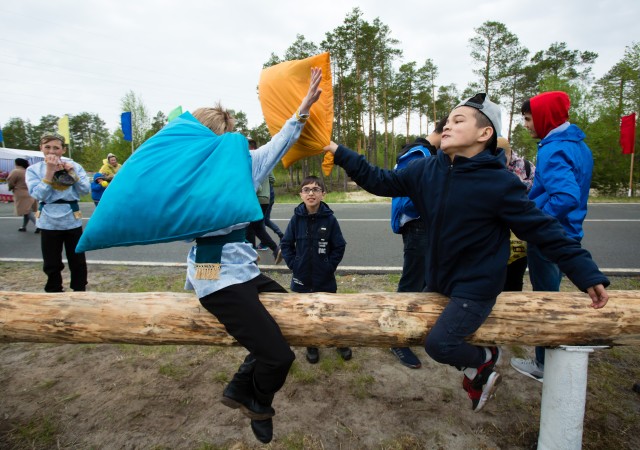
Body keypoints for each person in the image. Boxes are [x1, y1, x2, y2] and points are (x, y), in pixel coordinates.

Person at [323, 93, 609, 412]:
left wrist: (585, 272)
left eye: (458, 121)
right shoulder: (426, 170)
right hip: (441, 279)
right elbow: (380, 180)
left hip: (477, 286)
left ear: (484, 134)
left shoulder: (499, 182)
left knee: (439, 344)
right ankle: (476, 370)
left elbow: (543, 229)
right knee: (424, 330)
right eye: (447, 121)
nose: (447, 125)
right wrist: (338, 151)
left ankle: (486, 358)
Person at [184, 67, 322, 443]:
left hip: (244, 269)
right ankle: (258, 403)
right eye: (219, 138)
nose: (228, 146)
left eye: (230, 138)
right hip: (215, 273)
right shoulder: (184, 176)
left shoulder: (245, 166)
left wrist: (304, 107)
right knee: (279, 356)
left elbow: (280, 140)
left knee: (288, 317)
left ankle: (240, 384)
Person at [510, 91, 593, 383]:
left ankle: (544, 365)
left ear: (545, 117)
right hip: (569, 231)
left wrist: (534, 219)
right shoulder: (577, 145)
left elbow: (566, 196)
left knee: (546, 300)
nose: (526, 125)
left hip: (549, 237)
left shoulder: (553, 149)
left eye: (529, 119)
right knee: (553, 293)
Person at [389, 117, 447, 370]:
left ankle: (416, 330)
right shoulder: (419, 153)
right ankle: (397, 340)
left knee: (427, 281)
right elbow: (412, 190)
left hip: (427, 224)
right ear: (444, 132)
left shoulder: (428, 152)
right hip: (418, 224)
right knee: (412, 283)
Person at [279, 175, 350, 364]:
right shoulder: (296, 219)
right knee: (308, 313)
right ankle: (312, 344)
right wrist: (294, 265)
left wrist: (329, 266)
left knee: (330, 311)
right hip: (301, 277)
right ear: (301, 195)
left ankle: (339, 341)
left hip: (324, 277)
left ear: (323, 194)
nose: (311, 193)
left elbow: (339, 246)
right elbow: (286, 244)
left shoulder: (330, 219)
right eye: (306, 190)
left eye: (315, 189)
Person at [26, 133, 90, 292]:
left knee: (77, 259)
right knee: (51, 261)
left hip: (71, 219)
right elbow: (38, 195)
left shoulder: (74, 166)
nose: (51, 151)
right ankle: (54, 290)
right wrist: (49, 171)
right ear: (41, 148)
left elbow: (84, 190)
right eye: (47, 147)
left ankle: (79, 290)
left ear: (63, 150)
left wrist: (72, 173)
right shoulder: (34, 170)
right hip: (48, 221)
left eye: (56, 147)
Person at [498, 137, 535, 292]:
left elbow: (535, 200)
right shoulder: (487, 167)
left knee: (515, 278)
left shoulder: (527, 167)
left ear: (509, 153)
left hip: (520, 235)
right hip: (497, 234)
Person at [245, 139, 280, 260]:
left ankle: (252, 255)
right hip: (265, 199)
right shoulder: (265, 161)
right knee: (257, 227)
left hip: (256, 199)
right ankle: (274, 249)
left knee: (251, 228)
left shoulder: (252, 161)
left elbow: (256, 185)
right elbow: (272, 179)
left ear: (252, 148)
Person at [7, 158, 38, 232]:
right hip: (30, 192)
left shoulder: (16, 171)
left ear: (17, 163)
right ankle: (23, 226)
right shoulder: (28, 171)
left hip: (20, 193)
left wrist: (10, 188)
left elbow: (10, 182)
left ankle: (38, 225)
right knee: (26, 211)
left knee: (27, 211)